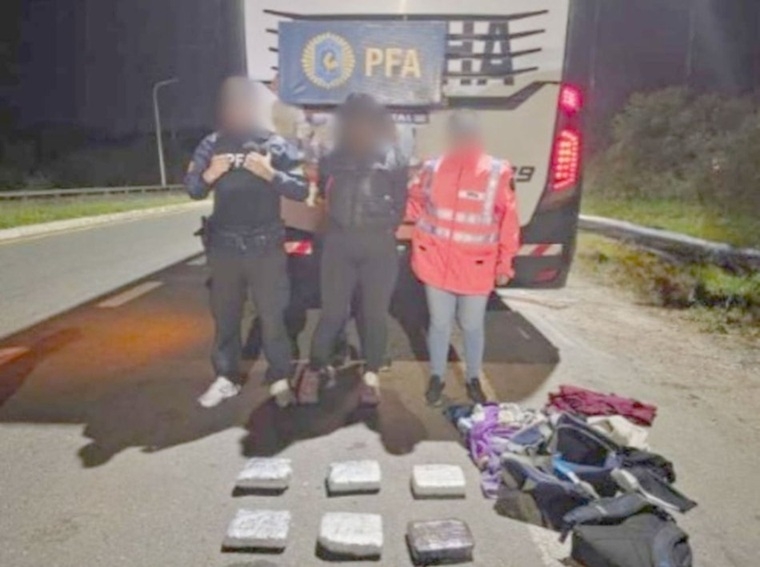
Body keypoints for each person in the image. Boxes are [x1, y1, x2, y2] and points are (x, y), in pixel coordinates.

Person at [184, 76, 309, 409]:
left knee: (273, 318)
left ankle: (280, 377)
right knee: (225, 318)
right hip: (224, 247)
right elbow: (193, 188)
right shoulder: (211, 144)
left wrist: (271, 174)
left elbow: (301, 189)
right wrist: (210, 174)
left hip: (265, 247)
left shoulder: (275, 144)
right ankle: (226, 377)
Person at [296, 94, 409, 406]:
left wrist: (380, 226)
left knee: (374, 316)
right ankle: (314, 370)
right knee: (333, 314)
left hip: (379, 247)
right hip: (339, 245)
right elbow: (324, 195)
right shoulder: (331, 158)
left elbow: (400, 204)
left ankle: (371, 376)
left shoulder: (393, 157)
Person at [406, 110, 520, 406]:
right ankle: (437, 377)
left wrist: (505, 263)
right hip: (436, 263)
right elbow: (416, 203)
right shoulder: (433, 168)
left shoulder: (496, 172)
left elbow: (508, 220)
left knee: (471, 325)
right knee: (440, 323)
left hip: (475, 266)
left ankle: (472, 377)